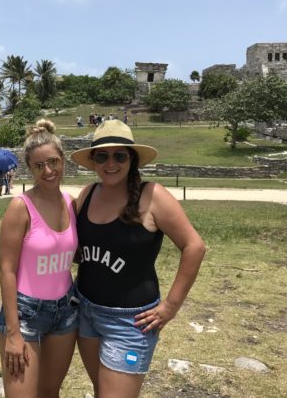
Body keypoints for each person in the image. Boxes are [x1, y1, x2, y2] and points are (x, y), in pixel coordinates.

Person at [70, 120, 206, 398]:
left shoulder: (153, 196)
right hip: (86, 311)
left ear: (132, 159)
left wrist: (170, 306)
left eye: (120, 156)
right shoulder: (88, 194)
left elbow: (194, 246)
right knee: (101, 390)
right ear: (93, 161)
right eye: (102, 156)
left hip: (130, 323)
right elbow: (75, 251)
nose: (111, 163)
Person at [0, 119, 79, 397]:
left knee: (50, 392)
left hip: (65, 309)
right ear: (30, 169)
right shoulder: (20, 207)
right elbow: (7, 270)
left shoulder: (71, 203)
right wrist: (13, 332)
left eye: (53, 162)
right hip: (25, 312)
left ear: (63, 160)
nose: (48, 171)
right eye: (39, 166)